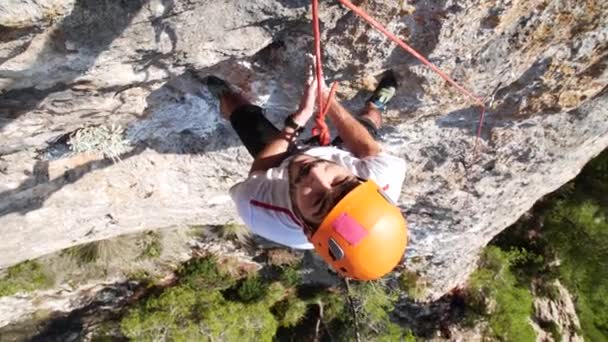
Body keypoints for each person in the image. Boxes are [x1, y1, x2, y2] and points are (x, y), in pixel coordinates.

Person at [205, 59, 408, 280]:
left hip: (286, 165)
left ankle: (225, 95)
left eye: (317, 201)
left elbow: (261, 169)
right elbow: (366, 148)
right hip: (338, 157)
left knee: (244, 116)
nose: (315, 174)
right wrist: (324, 99)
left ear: (307, 229)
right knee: (369, 121)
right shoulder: (382, 181)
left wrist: (298, 120)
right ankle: (377, 104)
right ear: (360, 182)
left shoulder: (260, 210)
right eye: (340, 183)